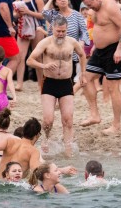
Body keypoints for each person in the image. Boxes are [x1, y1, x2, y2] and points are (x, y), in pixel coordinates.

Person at [26, 17, 87, 152]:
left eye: (63, 31)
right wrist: (44, 65)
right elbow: (30, 60)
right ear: (52, 29)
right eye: (58, 31)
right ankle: (46, 139)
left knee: (68, 119)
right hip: (49, 83)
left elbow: (82, 55)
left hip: (66, 83)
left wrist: (83, 73)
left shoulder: (72, 42)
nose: (61, 34)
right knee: (48, 120)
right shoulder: (45, 42)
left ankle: (68, 147)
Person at [81, 0, 121, 134]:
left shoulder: (110, 7)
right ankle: (94, 114)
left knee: (114, 88)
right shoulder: (94, 9)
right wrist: (95, 45)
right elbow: (99, 28)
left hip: (114, 50)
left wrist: (119, 49)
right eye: (87, 6)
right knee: (85, 79)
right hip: (99, 51)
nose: (91, 8)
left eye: (91, 4)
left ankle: (116, 125)